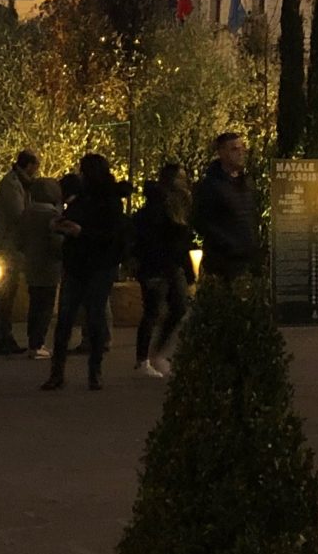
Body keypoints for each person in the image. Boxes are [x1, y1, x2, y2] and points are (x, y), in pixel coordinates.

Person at [42, 153, 126, 392]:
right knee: (66, 318)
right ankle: (58, 372)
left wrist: (81, 232)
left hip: (99, 265)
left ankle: (94, 372)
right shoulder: (83, 198)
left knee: (94, 316)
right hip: (77, 263)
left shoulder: (108, 201)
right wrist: (62, 225)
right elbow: (72, 217)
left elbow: (111, 235)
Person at [0, 150, 60, 356]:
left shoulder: (22, 184)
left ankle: (4, 336)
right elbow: (17, 214)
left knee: (7, 294)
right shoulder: (12, 184)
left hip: (14, 246)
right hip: (6, 246)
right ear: (29, 165)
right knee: (2, 293)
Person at [132, 162, 194, 378]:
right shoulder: (159, 206)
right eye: (180, 177)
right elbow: (153, 238)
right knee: (152, 312)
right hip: (157, 265)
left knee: (178, 307)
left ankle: (156, 354)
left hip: (171, 264)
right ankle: (144, 359)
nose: (184, 182)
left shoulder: (179, 204)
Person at [193, 131, 256, 282]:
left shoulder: (247, 183)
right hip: (223, 264)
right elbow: (200, 222)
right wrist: (227, 244)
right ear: (221, 153)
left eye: (242, 148)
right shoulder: (211, 186)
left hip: (246, 261)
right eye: (234, 149)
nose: (241, 153)